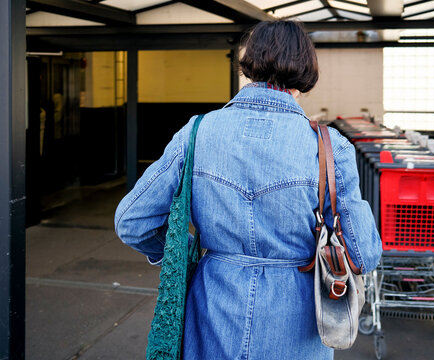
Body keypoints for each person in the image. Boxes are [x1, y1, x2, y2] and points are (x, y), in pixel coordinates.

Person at [115, 20, 382, 359]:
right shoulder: (329, 147)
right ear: (305, 69)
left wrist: (183, 256)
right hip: (296, 322)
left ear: (249, 63)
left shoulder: (196, 133)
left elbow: (131, 221)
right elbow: (364, 254)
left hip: (211, 305)